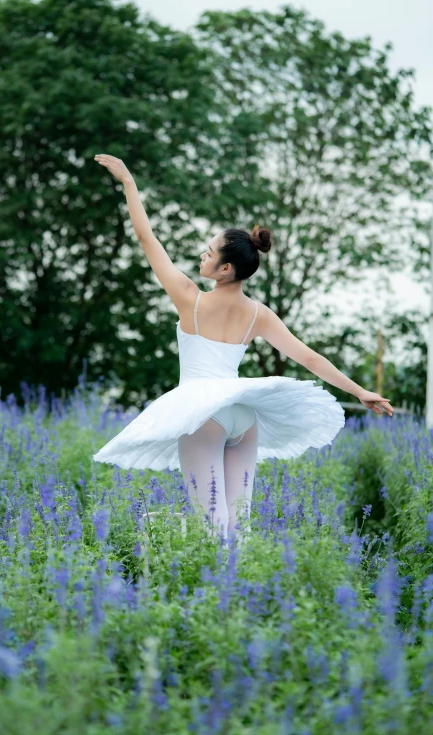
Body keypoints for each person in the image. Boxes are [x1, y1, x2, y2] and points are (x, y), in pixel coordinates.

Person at [92, 154, 393, 540]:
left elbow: (146, 238)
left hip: (203, 413)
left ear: (225, 270)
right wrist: (360, 391)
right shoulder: (258, 314)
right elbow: (309, 358)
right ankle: (239, 595)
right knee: (239, 526)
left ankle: (214, 594)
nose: (203, 254)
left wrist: (129, 182)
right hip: (243, 417)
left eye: (209, 252)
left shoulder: (190, 299)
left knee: (211, 526)